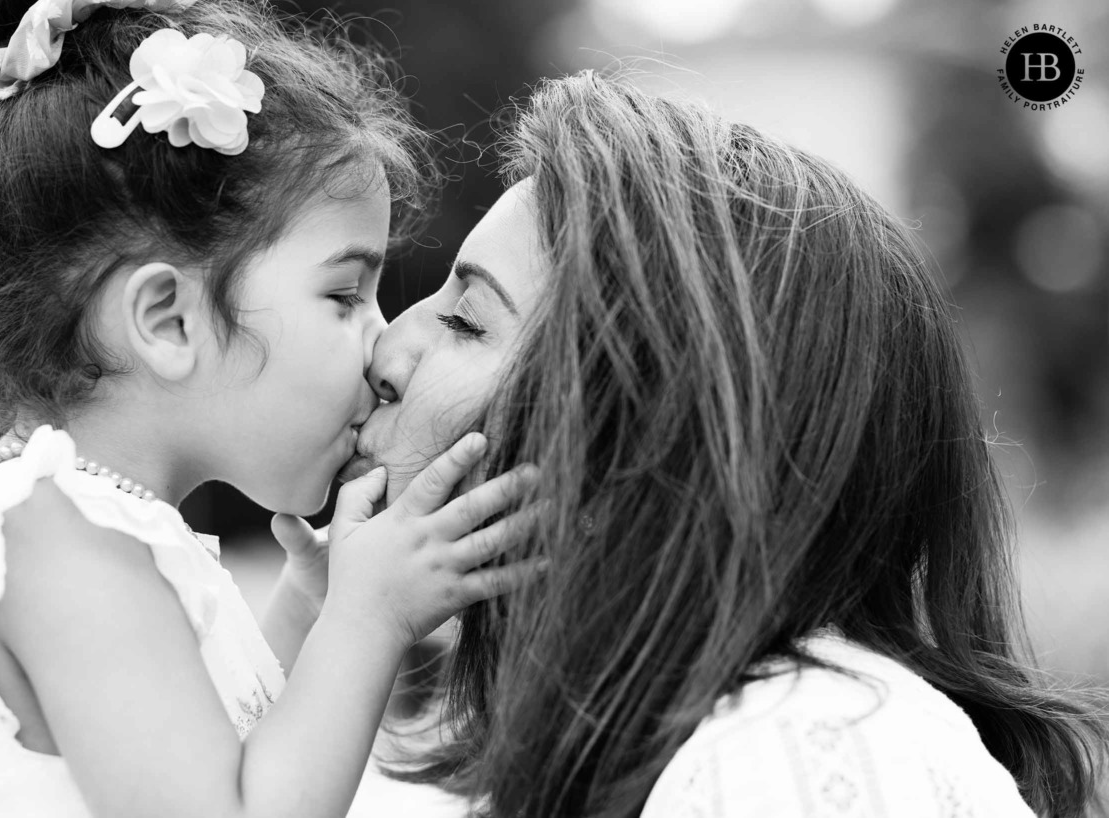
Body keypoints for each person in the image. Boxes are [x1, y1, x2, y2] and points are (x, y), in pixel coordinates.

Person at [326, 72, 1107, 817]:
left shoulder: (802, 748)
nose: (384, 352)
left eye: (465, 321)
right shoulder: (649, 744)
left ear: (646, 436)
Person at [0, 1, 545, 816]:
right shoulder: (63, 548)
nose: (381, 345)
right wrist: (370, 621)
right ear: (168, 322)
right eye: (343, 294)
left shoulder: (78, 528)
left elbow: (221, 756)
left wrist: (313, 609)